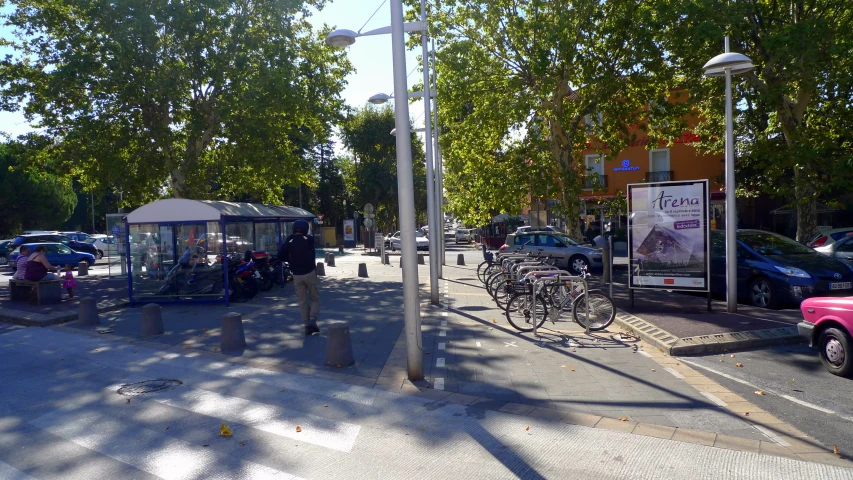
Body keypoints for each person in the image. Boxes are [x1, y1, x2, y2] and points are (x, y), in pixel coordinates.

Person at [278, 220, 320, 335]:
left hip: (297, 275)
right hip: (310, 273)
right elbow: (310, 240)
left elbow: (280, 255)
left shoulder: (290, 242)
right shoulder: (309, 240)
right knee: (315, 298)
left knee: (302, 301)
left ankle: (306, 325)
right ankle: (312, 319)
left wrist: (290, 258)